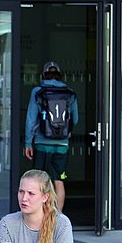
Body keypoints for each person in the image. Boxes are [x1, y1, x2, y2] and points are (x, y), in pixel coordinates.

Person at [24, 61, 78, 212]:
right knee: (59, 180)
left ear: (44, 75)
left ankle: (38, 214)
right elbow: (75, 119)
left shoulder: (38, 91)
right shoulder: (69, 93)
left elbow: (31, 119)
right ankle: (58, 217)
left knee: (37, 181)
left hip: (42, 143)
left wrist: (28, 143)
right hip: (62, 145)